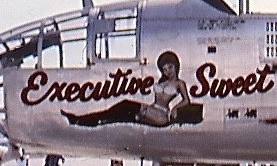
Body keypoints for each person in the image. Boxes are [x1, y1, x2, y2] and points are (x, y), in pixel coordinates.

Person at [63, 51, 195, 127]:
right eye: (165, 69)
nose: (168, 72)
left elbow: (186, 100)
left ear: (176, 66)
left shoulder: (180, 83)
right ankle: (81, 120)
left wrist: (175, 108)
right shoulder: (163, 81)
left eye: (170, 67)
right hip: (152, 110)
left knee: (124, 106)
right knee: (117, 111)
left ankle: (83, 120)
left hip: (162, 116)